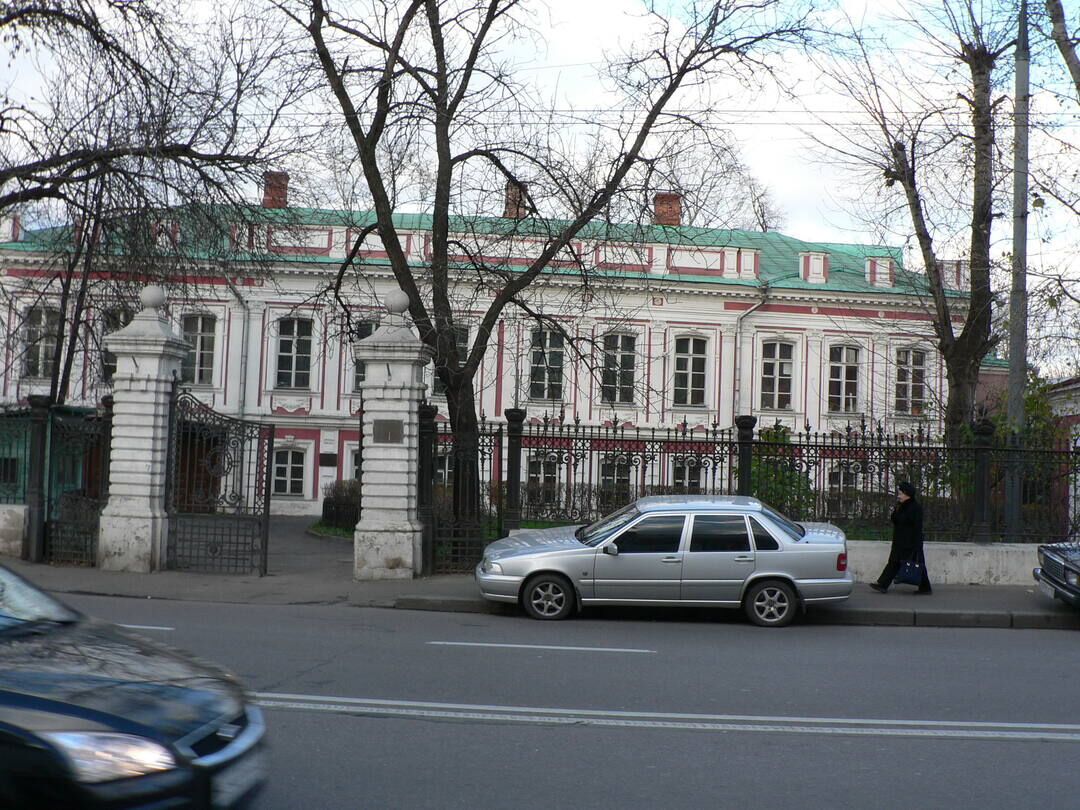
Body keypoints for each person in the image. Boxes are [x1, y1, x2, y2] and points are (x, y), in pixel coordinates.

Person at [869, 480, 932, 594]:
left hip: (910, 542)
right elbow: (895, 520)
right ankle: (883, 584)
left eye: (901, 493)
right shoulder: (902, 506)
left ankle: (925, 587)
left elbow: (916, 526)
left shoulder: (915, 508)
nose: (899, 496)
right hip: (899, 541)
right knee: (893, 562)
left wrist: (916, 544)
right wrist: (896, 510)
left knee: (917, 564)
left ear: (907, 494)